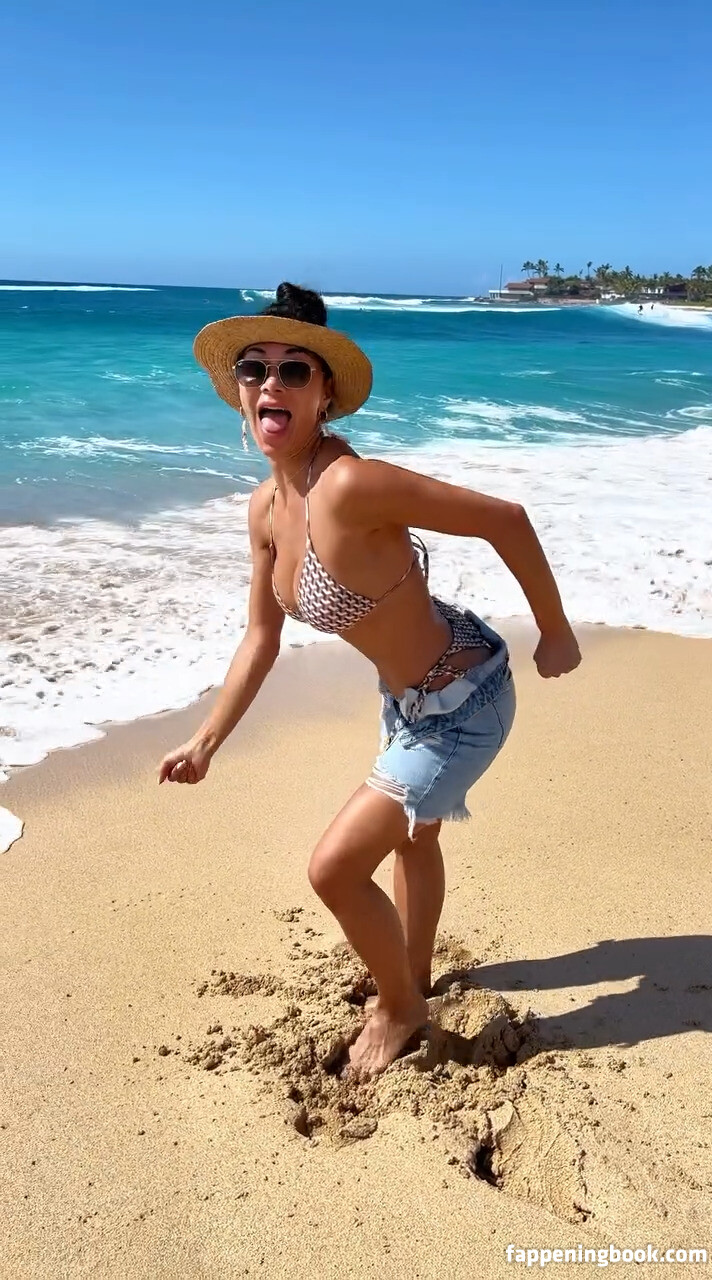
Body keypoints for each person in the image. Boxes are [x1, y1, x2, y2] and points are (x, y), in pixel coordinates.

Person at [158, 283, 581, 1076]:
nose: (272, 383)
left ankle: (401, 1006)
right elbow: (262, 635)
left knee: (334, 869)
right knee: (416, 836)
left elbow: (506, 518)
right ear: (239, 392)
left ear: (324, 394)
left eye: (295, 370)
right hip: (406, 700)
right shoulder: (265, 507)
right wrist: (206, 740)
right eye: (255, 368)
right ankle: (411, 971)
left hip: (466, 701)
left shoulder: (350, 486)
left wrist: (555, 633)